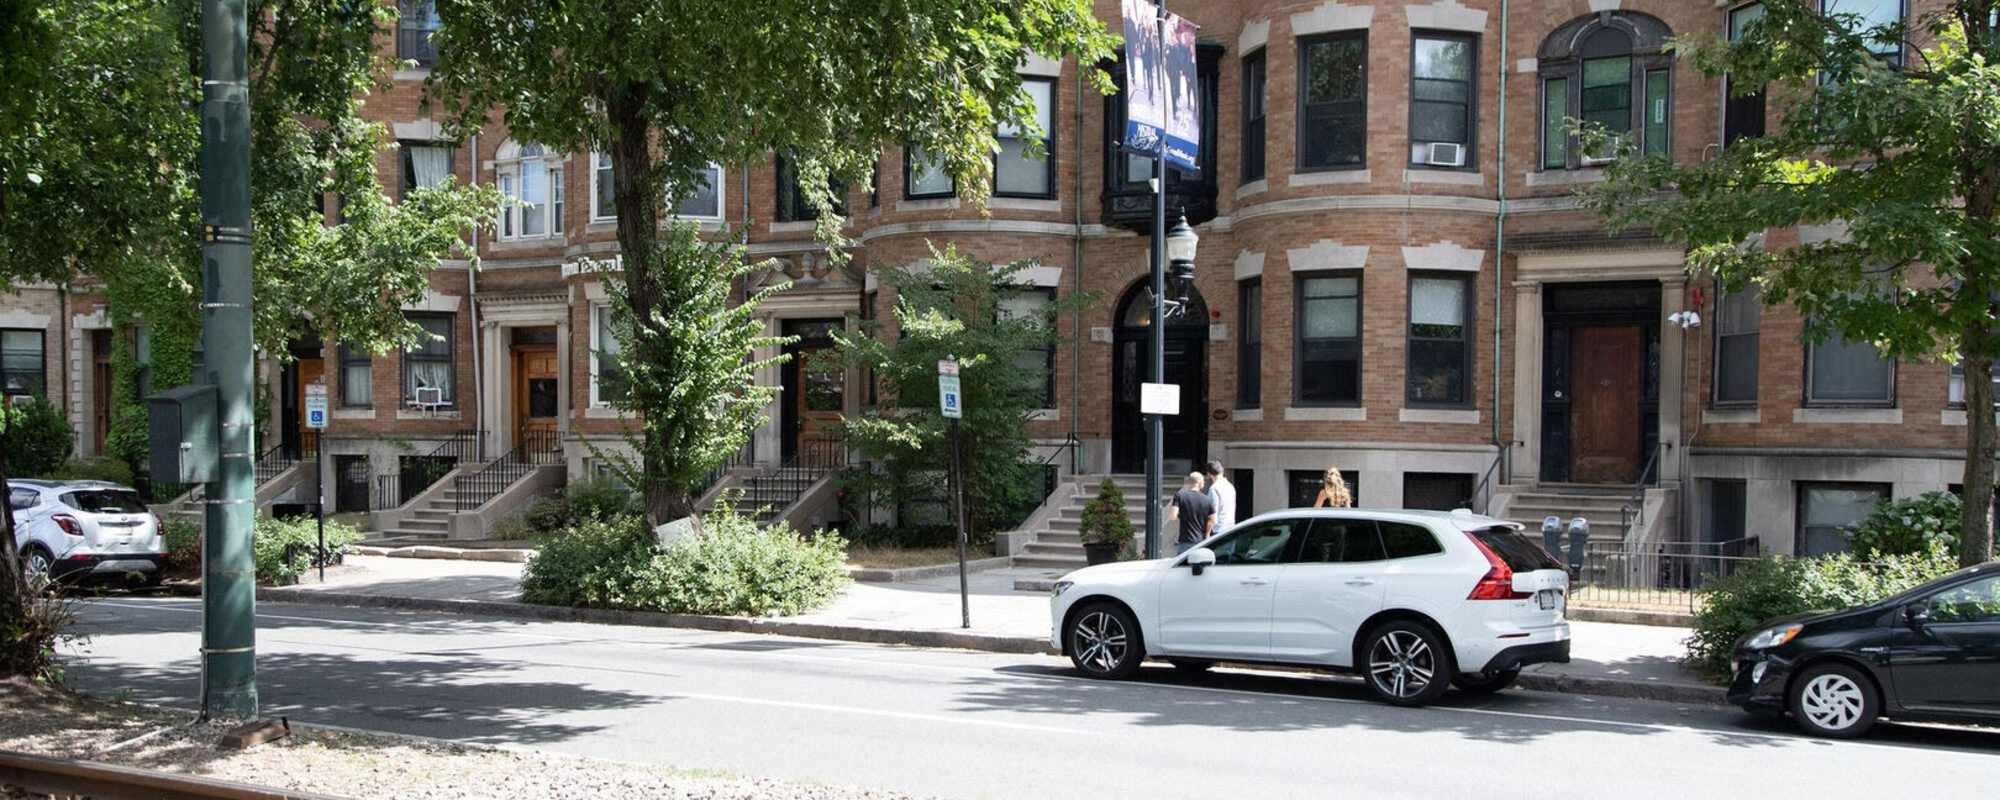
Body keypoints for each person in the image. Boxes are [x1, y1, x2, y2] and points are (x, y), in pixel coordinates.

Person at [1165, 471, 1215, 555]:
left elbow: (1172, 516)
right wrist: (1207, 534)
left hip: (1185, 541)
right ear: (1199, 483)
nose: (1204, 483)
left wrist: (1182, 515)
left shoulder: (1180, 495)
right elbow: (1213, 519)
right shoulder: (1207, 500)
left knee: (1182, 566)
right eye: (1203, 481)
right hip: (1200, 541)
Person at [1202, 459, 1236, 532]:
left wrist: (1207, 533)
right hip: (1231, 528)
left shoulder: (1214, 489)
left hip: (1218, 530)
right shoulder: (1230, 486)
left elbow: (1212, 514)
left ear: (1208, 474)